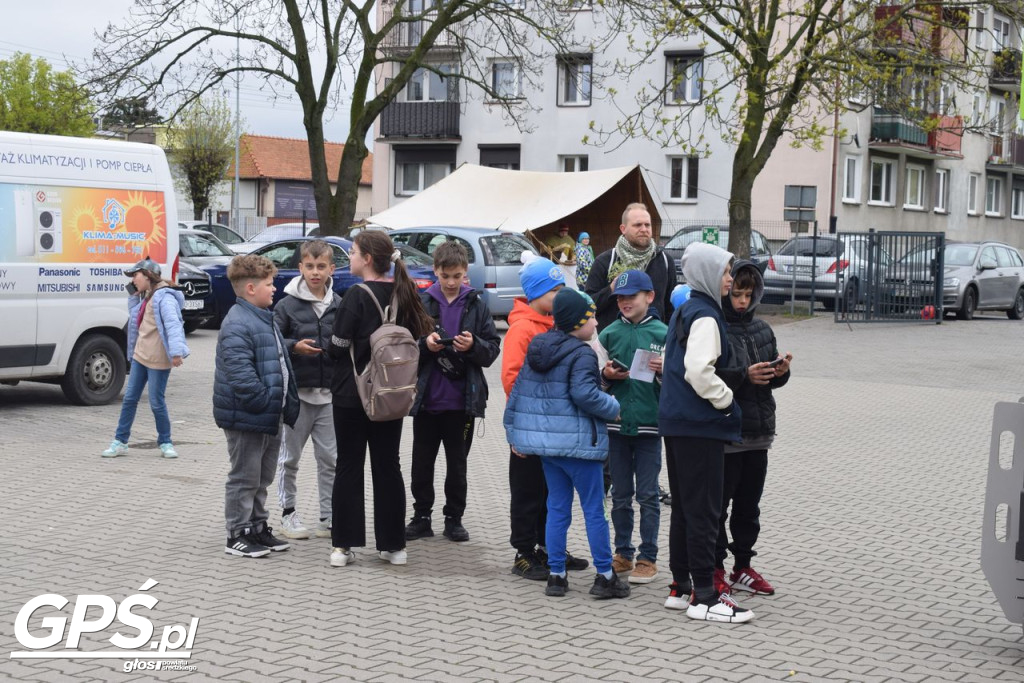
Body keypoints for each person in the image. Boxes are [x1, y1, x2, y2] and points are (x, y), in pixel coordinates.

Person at [505, 288, 628, 599]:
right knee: (593, 510)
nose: (597, 323)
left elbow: (519, 395)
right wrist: (613, 406)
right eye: (592, 317)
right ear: (577, 322)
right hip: (580, 447)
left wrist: (514, 434)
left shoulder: (539, 347)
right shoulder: (583, 353)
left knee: (557, 508)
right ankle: (604, 575)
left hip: (549, 449)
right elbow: (584, 394)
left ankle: (557, 575)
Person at [658, 242, 754, 623]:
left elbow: (671, 364)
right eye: (726, 271)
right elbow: (698, 371)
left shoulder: (684, 309)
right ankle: (707, 598)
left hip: (677, 423)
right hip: (699, 426)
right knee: (704, 511)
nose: (730, 278)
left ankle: (681, 587)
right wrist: (728, 400)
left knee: (684, 506)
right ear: (708, 273)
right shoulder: (707, 317)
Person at [327, 231, 433, 568]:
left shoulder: (355, 296)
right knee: (388, 466)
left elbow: (337, 347)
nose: (350, 258)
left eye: (354, 252)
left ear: (368, 259)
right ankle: (394, 545)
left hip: (352, 393)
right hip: (391, 393)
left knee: (348, 465)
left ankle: (344, 545)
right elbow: (418, 337)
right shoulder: (404, 293)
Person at [406, 241, 501, 543]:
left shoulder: (477, 305)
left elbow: (491, 351)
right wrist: (425, 345)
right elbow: (405, 348)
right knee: (422, 462)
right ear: (435, 271)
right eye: (445, 276)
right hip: (427, 401)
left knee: (457, 464)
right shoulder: (421, 303)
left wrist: (474, 346)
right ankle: (421, 516)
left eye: (456, 276)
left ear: (465, 274)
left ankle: (454, 518)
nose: (450, 282)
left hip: (463, 403)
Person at [502, 258, 589, 580]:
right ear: (537, 293)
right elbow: (512, 379)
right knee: (527, 491)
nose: (560, 295)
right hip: (529, 427)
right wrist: (525, 423)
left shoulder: (555, 325)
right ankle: (523, 552)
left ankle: (549, 546)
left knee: (551, 491)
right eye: (555, 290)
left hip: (555, 428)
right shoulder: (522, 329)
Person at [715, 260, 792, 596]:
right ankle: (715, 567)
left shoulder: (762, 328)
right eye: (736, 294)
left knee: (749, 506)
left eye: (748, 294)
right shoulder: (714, 326)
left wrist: (780, 372)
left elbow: (770, 380)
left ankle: (743, 566)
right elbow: (710, 377)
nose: (742, 301)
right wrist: (743, 376)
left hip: (759, 434)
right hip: (728, 434)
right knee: (719, 506)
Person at [214, 254, 300, 558]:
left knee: (261, 477)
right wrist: (267, 401)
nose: (274, 288)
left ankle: (257, 526)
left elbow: (279, 361)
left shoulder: (263, 317)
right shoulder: (238, 323)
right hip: (247, 416)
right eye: (269, 283)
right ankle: (237, 533)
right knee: (244, 476)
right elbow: (241, 376)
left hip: (267, 415)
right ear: (251, 288)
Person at [597, 269, 667, 586]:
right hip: (617, 428)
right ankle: (623, 553)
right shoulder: (608, 334)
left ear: (649, 297)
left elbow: (680, 385)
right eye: (620, 298)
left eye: (632, 296)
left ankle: (648, 558)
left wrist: (666, 371)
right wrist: (607, 378)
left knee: (649, 495)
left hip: (650, 428)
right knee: (621, 495)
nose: (625, 302)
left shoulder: (664, 334)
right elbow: (594, 383)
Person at [272, 239, 341, 540]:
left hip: (329, 398)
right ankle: (288, 514)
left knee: (331, 459)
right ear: (300, 267)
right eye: (309, 266)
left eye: (321, 266)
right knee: (289, 459)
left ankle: (328, 517)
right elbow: (273, 342)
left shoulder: (339, 304)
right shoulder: (286, 305)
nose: (315, 272)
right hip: (296, 397)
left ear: (331, 269)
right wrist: (294, 347)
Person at [102, 259, 189, 459]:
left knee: (156, 402)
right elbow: (135, 319)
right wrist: (133, 296)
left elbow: (174, 325)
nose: (133, 280)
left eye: (135, 275)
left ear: (148, 276)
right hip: (141, 356)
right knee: (130, 399)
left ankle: (166, 442)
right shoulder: (147, 296)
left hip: (158, 359)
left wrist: (176, 353)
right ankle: (120, 441)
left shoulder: (164, 298)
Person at [585, 202, 677, 331]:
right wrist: (611, 290)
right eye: (637, 225)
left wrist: (666, 337)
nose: (644, 229)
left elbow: (670, 307)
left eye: (647, 225)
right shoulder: (606, 261)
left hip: (653, 343)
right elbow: (588, 304)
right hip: (615, 344)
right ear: (623, 229)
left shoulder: (665, 261)